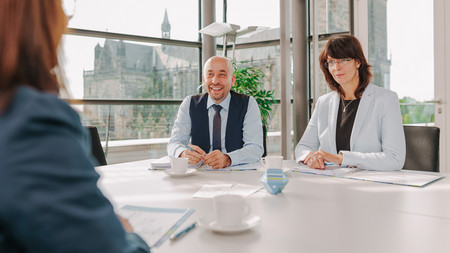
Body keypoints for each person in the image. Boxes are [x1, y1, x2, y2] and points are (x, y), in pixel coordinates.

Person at [0, 1, 150, 252]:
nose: (65, 21)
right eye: (62, 10)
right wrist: (129, 233)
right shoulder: (31, 121)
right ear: (39, 21)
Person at [295, 35, 405, 171]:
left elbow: (395, 159)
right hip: (331, 182)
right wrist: (311, 157)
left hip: (370, 184)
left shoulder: (386, 99)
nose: (336, 67)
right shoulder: (324, 102)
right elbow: (303, 147)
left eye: (343, 60)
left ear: (358, 62)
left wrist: (340, 159)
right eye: (331, 62)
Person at [167, 56, 264, 169]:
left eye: (222, 74)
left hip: (236, 173)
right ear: (204, 80)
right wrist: (182, 153)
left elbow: (255, 148)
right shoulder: (189, 103)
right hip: (200, 174)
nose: (215, 81)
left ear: (232, 80)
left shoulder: (248, 104)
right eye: (210, 74)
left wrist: (228, 159)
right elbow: (174, 142)